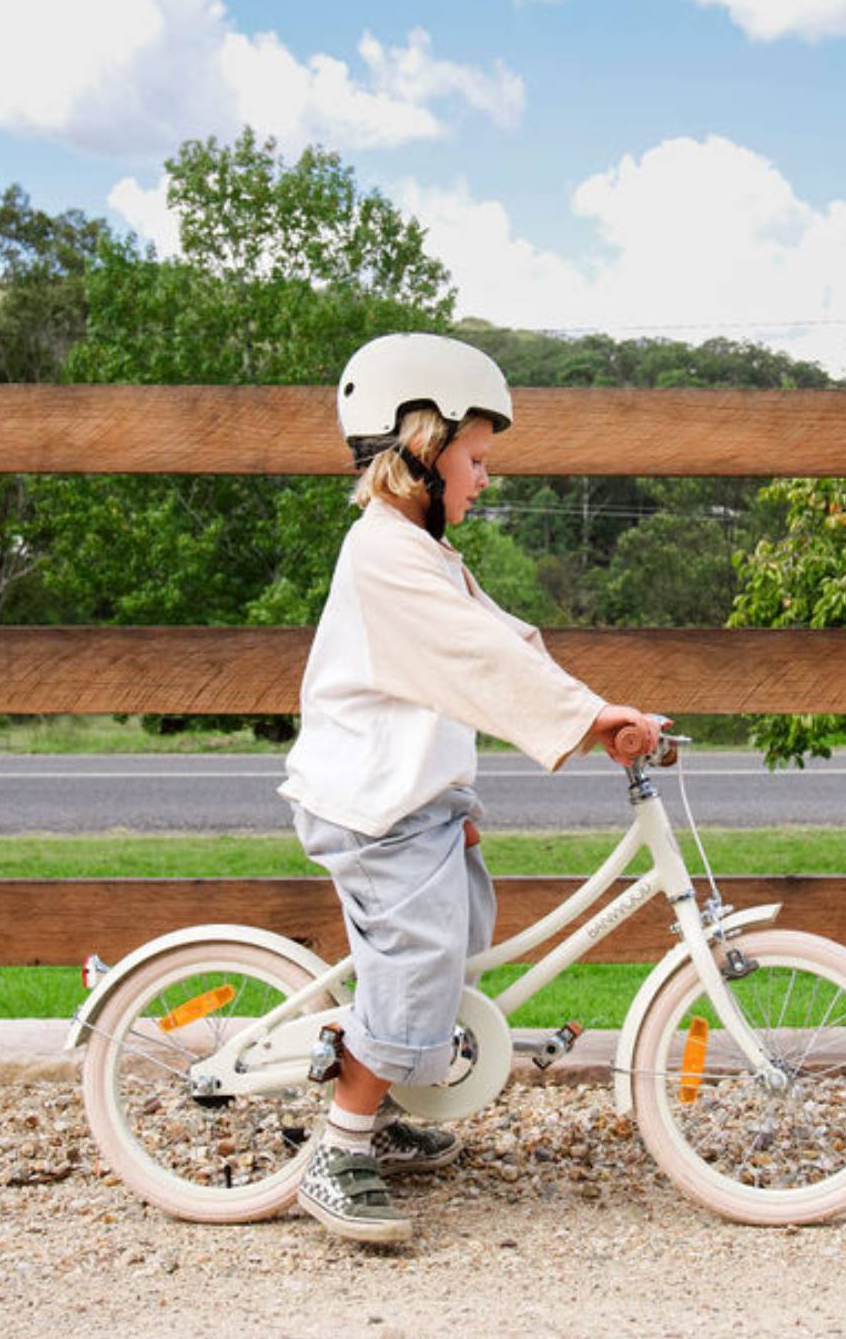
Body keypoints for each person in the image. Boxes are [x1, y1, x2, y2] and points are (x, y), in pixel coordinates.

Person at [278, 332, 663, 1243]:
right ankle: (337, 1148)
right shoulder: (383, 555)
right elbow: (479, 660)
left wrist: (596, 708)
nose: (487, 478)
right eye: (477, 457)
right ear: (420, 445)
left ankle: (386, 1092)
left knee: (458, 949)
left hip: (419, 800)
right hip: (374, 808)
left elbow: (505, 642)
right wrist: (587, 722)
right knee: (417, 964)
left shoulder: (425, 554)